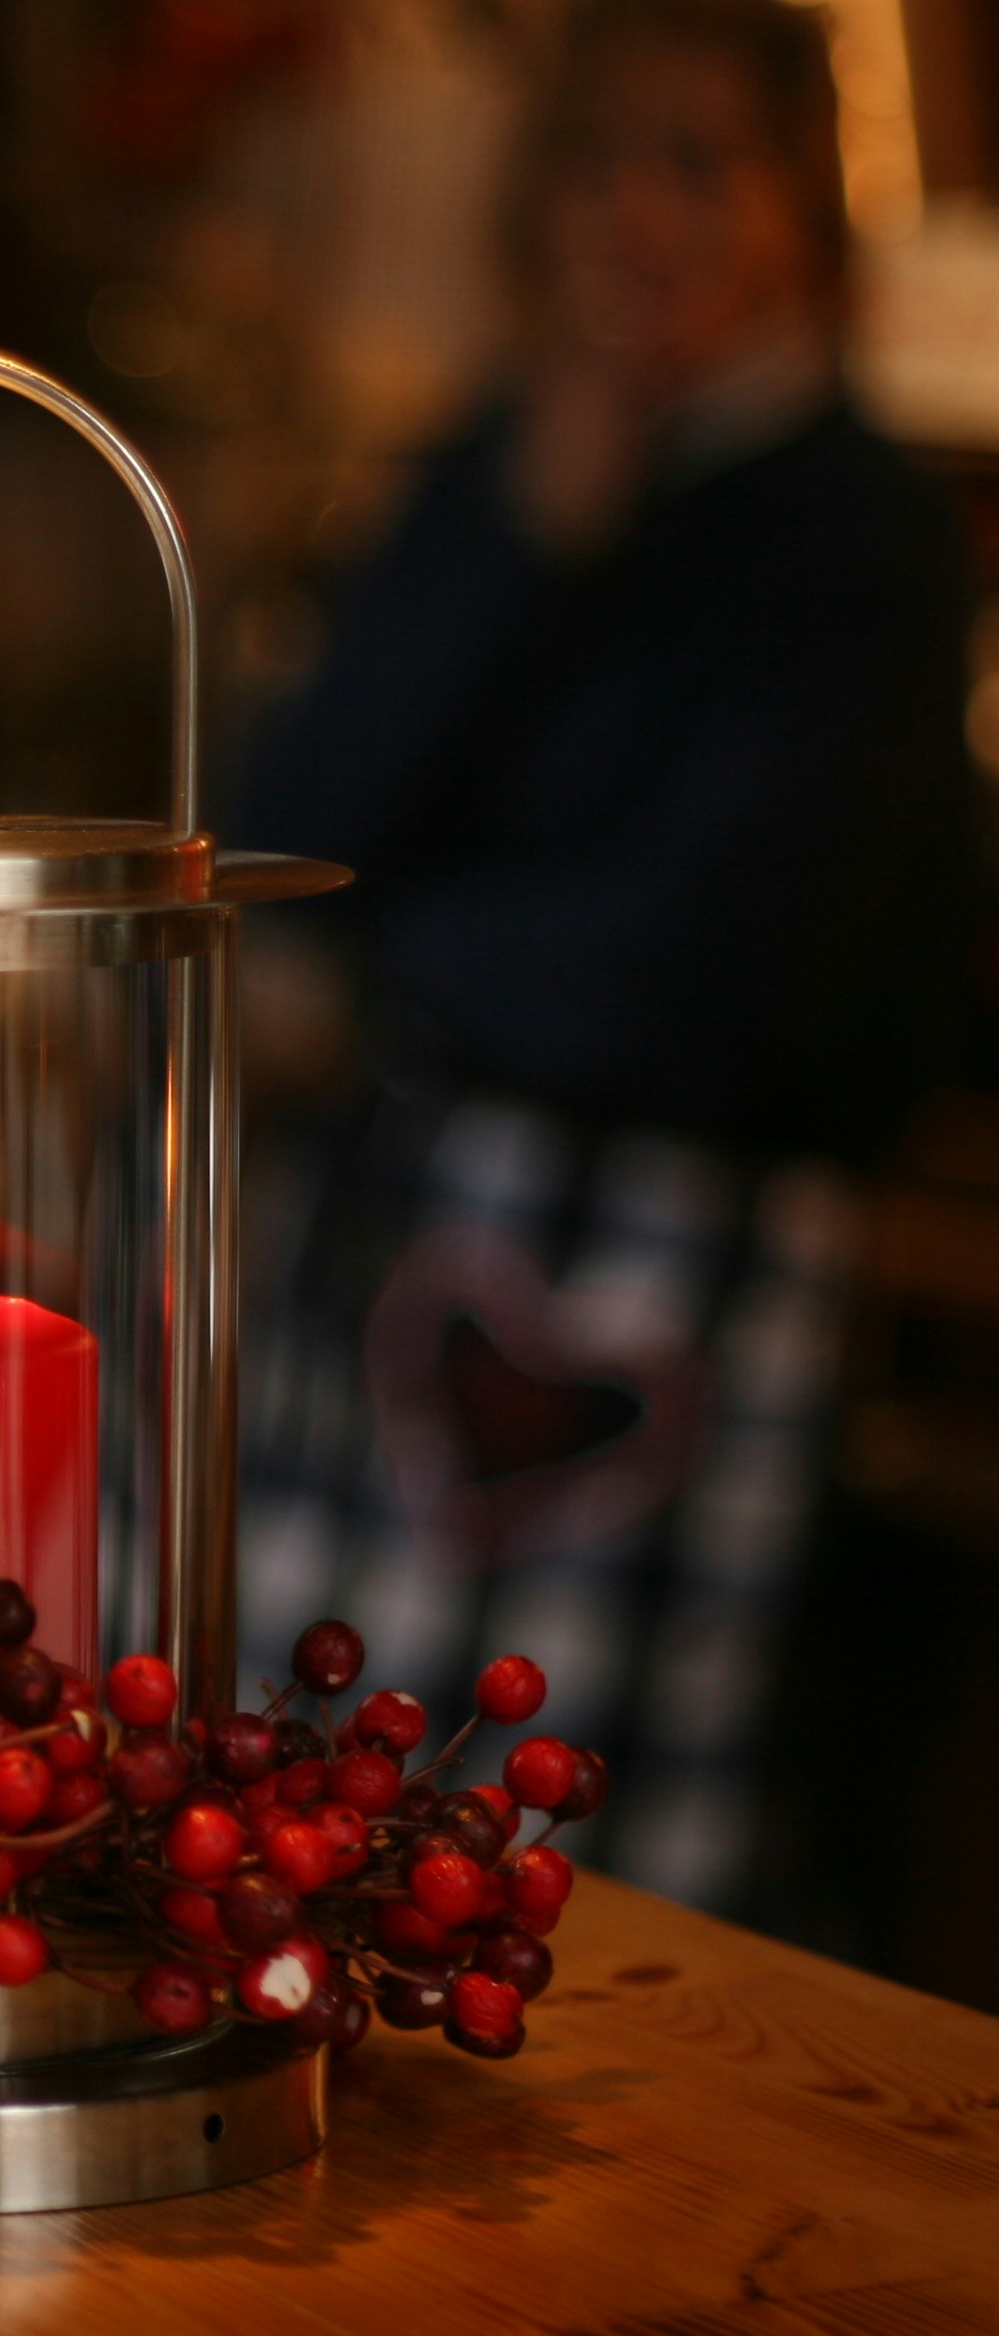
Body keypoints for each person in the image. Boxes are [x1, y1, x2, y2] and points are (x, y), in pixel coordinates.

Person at [232, 0, 984, 1917]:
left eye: (696, 163)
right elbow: (281, 834)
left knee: (587, 1860)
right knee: (316, 1805)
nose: (634, 214)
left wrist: (382, 982)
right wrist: (521, 532)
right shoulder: (496, 469)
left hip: (672, 1289)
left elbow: (729, 955)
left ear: (798, 212)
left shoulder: (859, 538)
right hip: (395, 1263)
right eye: (594, 160)